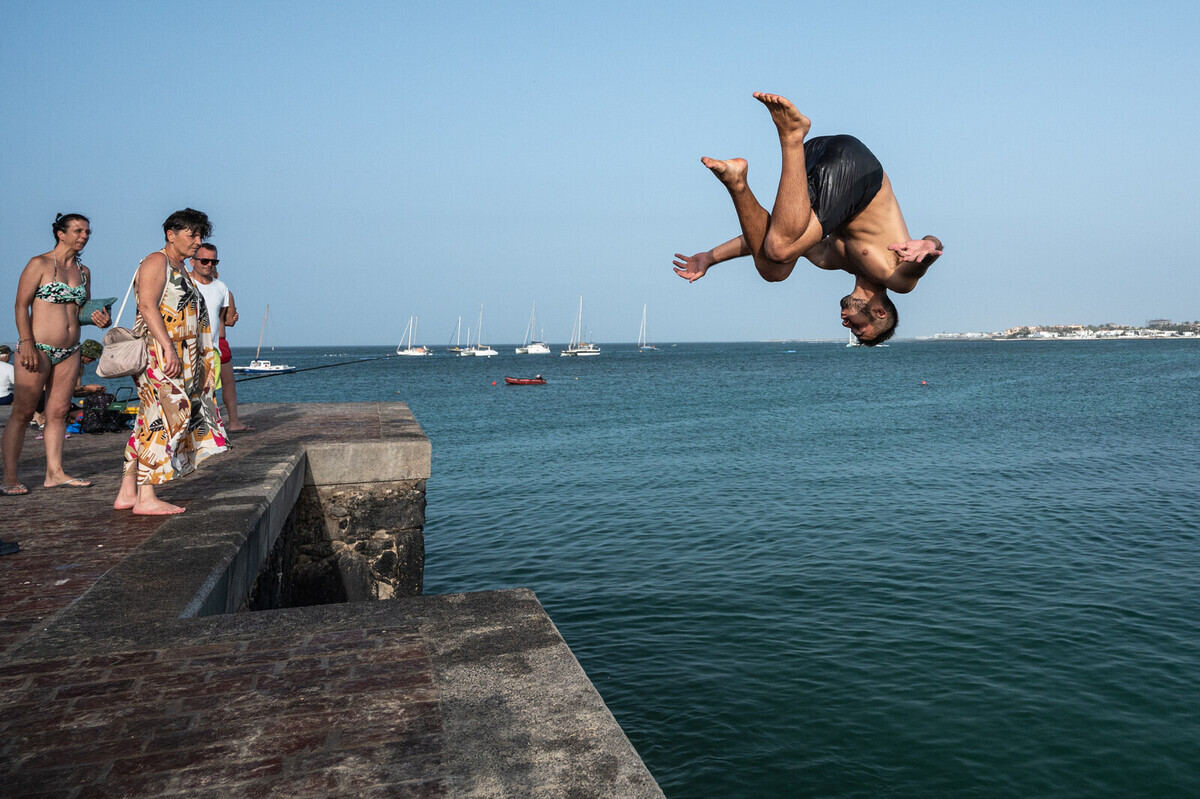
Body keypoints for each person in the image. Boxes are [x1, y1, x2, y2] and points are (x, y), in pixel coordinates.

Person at [673, 92, 943, 345]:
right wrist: (930, 244)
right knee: (780, 248)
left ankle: (737, 182)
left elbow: (765, 237)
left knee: (774, 268)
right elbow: (926, 256)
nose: (846, 325)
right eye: (858, 328)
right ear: (880, 313)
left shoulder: (832, 259)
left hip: (813, 155)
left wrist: (710, 257)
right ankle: (791, 135)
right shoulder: (896, 277)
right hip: (859, 171)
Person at [113, 209, 227, 515]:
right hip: (161, 353)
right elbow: (148, 307)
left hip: (177, 354)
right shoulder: (157, 260)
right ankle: (146, 497)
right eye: (192, 234)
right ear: (171, 234)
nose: (198, 241)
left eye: (201, 235)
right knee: (163, 420)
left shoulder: (179, 267)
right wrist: (167, 348)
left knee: (146, 419)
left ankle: (127, 491)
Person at [2, 213, 111, 495]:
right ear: (61, 233)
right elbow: (20, 305)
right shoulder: (38, 264)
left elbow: (81, 312)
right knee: (24, 412)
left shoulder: (84, 272)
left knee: (59, 412)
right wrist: (26, 342)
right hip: (37, 347)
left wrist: (100, 319)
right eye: (77, 230)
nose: (84, 236)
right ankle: (10, 478)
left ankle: (55, 473)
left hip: (70, 349)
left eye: (87, 231)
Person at [189, 245, 250, 431]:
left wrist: (230, 318)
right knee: (224, 384)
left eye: (213, 262)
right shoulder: (184, 284)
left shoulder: (222, 289)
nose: (209, 265)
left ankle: (223, 423)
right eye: (205, 261)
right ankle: (230, 422)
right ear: (193, 262)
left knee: (216, 385)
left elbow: (223, 317)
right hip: (197, 345)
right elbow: (228, 320)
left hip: (216, 345)